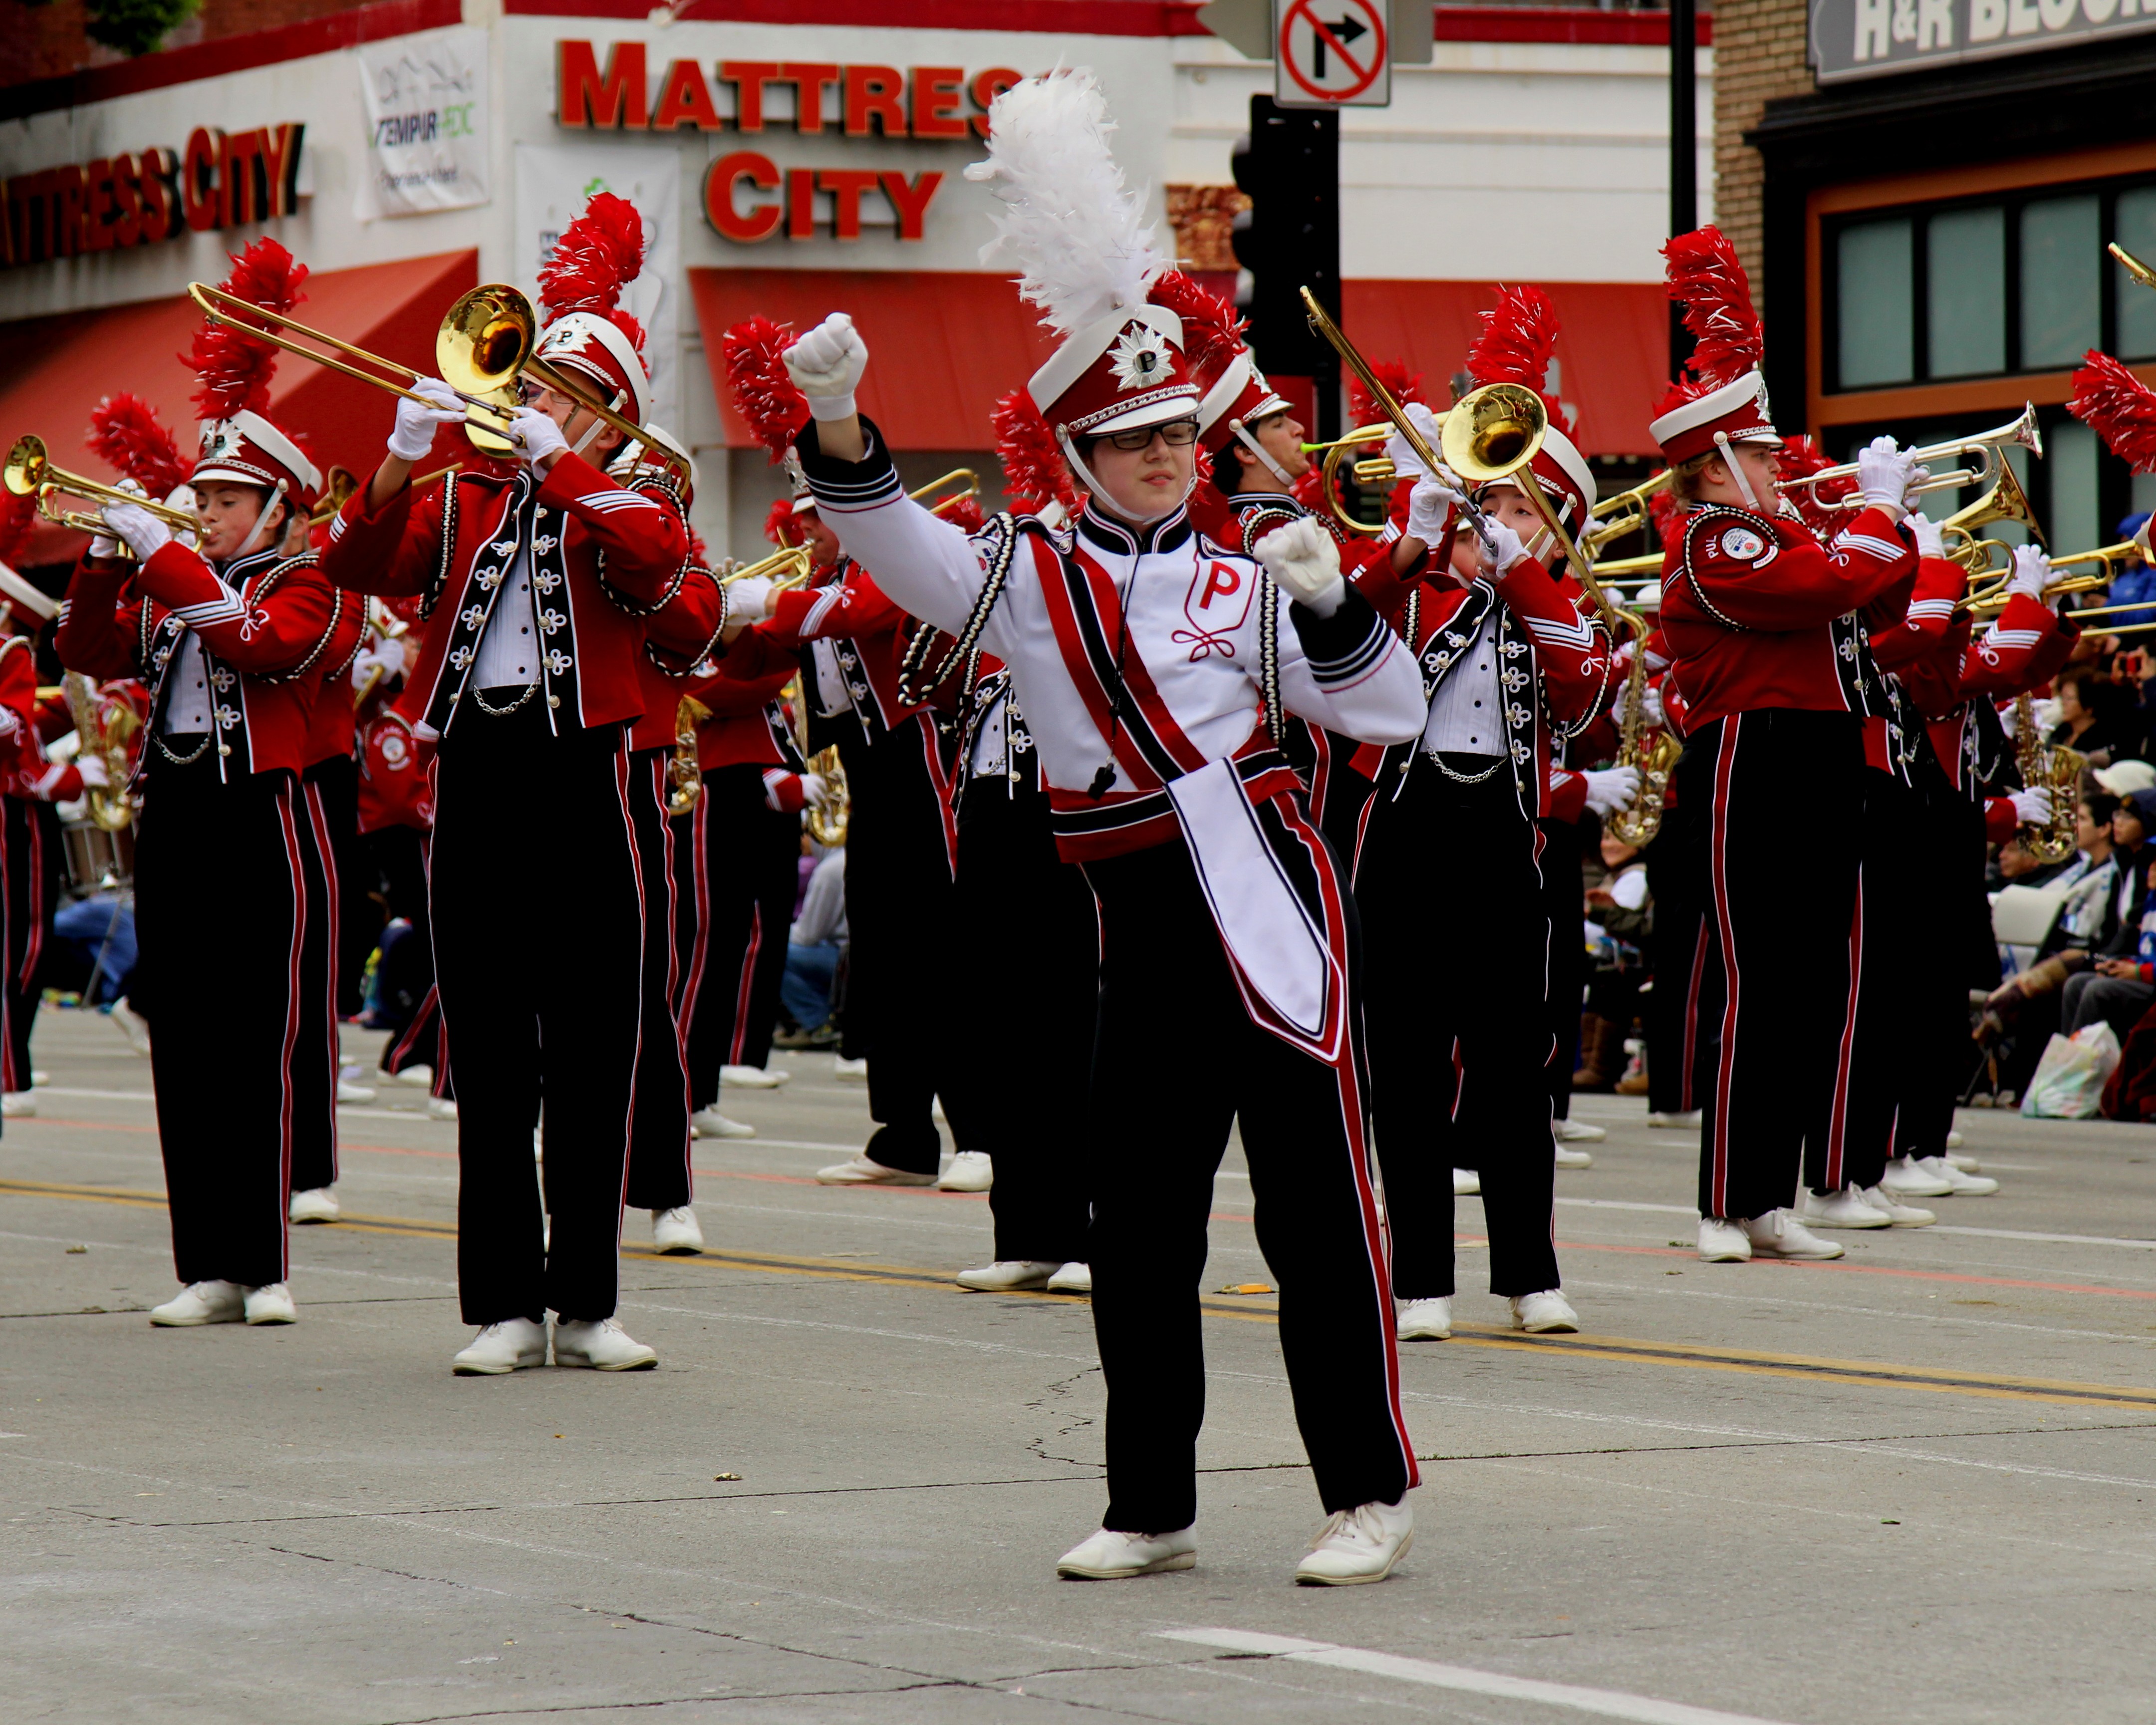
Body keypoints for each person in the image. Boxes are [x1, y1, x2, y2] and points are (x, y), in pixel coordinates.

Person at [782, 69, 1428, 1586]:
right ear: (1073, 455)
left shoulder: (1247, 573)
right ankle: (1152, 1503)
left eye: (1169, 435)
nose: (1158, 457)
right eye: (1127, 439)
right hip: (1141, 920)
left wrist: (1331, 608)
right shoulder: (1020, 576)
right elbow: (897, 544)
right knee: (1136, 1225)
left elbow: (1386, 715)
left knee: (1315, 1207)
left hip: (1267, 899)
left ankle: (1367, 1490)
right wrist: (835, 420)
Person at [318, 193, 700, 1375]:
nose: (528, 406)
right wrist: (393, 457)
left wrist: (565, 468)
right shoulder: (459, 494)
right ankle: (504, 1306)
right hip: (479, 775)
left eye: (557, 396)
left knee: (594, 1041)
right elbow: (354, 569)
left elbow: (660, 572)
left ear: (611, 416)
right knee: (490, 1047)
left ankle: (588, 1302)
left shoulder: (638, 497)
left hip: (592, 780)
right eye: (529, 389)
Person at [1350, 285, 1620, 1343]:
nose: (1497, 524)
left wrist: (1525, 581)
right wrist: (1415, 545)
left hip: (1507, 842)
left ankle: (1530, 1271)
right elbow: (1340, 636)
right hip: (1409, 834)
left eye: (1520, 510)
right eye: (1489, 505)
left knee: (1515, 1060)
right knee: (1407, 1060)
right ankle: (1420, 1276)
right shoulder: (1414, 588)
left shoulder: (1560, 607)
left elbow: (1590, 705)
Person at [1652, 226, 1920, 1266]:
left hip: (1816, 755)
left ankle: (1770, 1198)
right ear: (1716, 464)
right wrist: (1874, 518)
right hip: (1747, 759)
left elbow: (1873, 603)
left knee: (1809, 984)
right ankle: (1725, 1199)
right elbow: (1826, 588)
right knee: (1757, 982)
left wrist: (1876, 530)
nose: (1777, 462)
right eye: (1759, 451)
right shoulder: (1717, 543)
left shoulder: (1778, 533)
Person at [59, 387, 336, 1329]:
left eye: (225, 501)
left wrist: (163, 553)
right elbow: (85, 648)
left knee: (255, 1041)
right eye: (201, 499)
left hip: (258, 819)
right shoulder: (178, 592)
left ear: (277, 509)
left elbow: (260, 647)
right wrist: (104, 558)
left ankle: (265, 1267)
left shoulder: (308, 584)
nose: (205, 513)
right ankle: (207, 1265)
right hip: (174, 819)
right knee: (183, 1041)